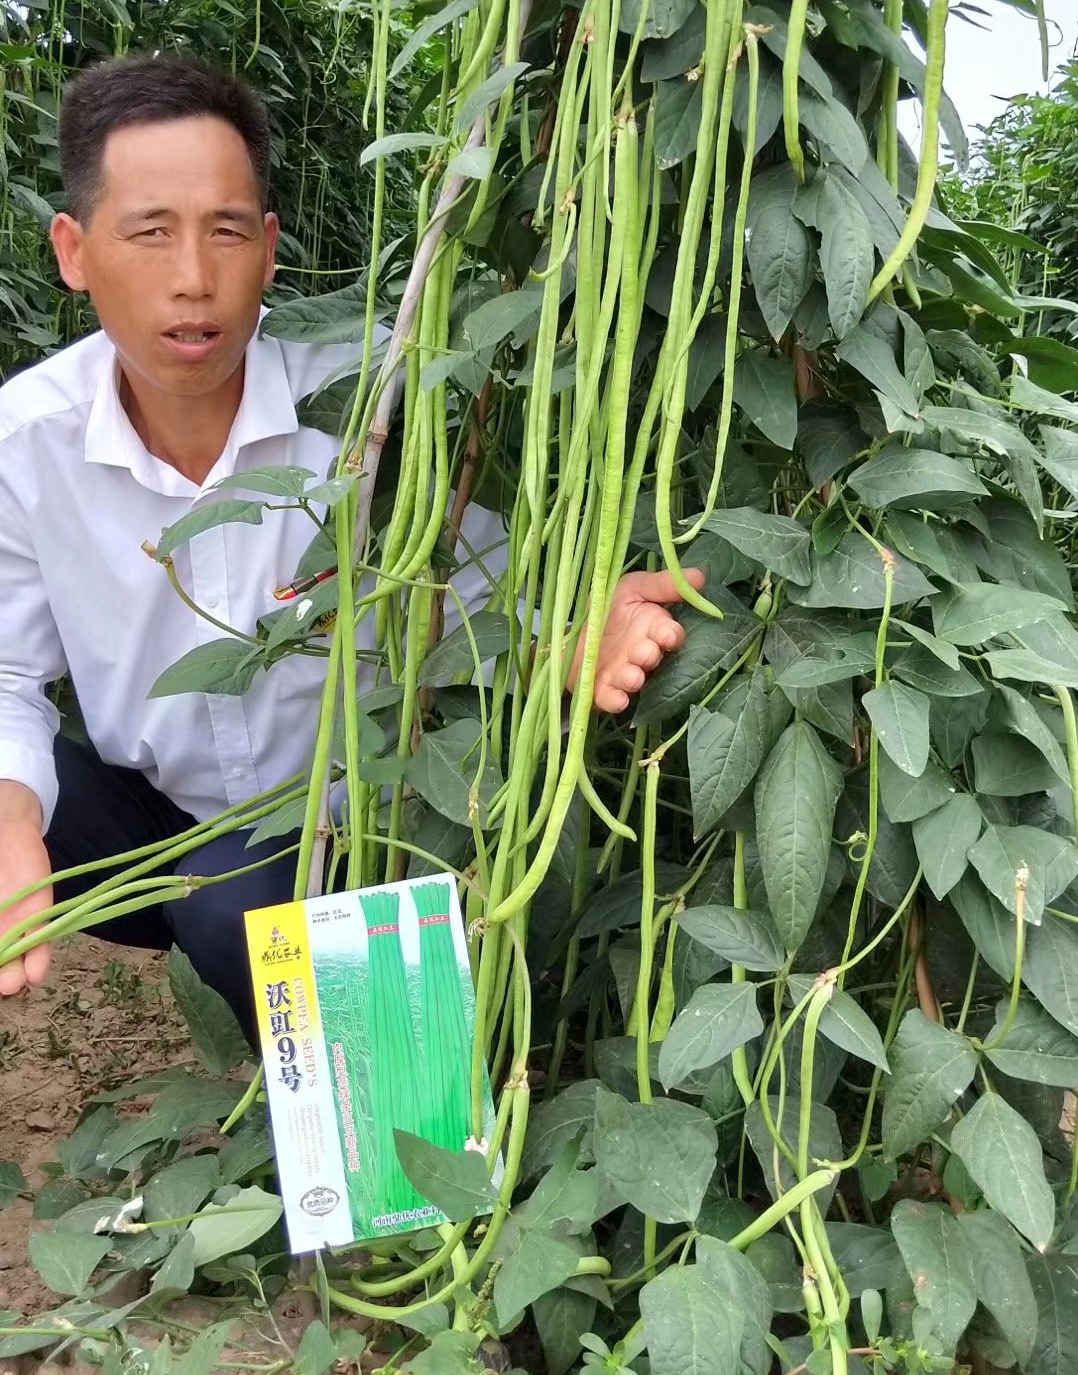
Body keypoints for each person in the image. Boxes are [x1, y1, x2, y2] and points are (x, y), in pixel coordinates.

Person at [0, 54, 704, 1038]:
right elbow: (5, 677)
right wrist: (11, 817)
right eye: (149, 233)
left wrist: (569, 632)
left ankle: (375, 1103)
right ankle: (255, 960)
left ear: (271, 249)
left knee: (228, 907)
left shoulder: (365, 406)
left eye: (226, 232)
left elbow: (490, 589)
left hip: (352, 817)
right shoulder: (26, 438)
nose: (193, 279)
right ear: (74, 252)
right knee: (172, 878)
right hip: (153, 816)